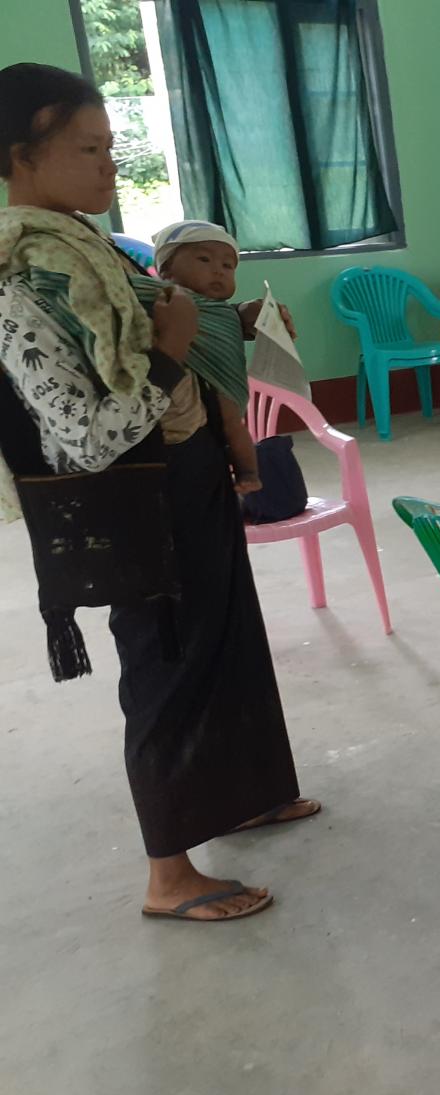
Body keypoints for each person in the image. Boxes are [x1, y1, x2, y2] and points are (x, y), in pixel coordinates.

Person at [0, 63, 318, 924]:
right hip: (131, 502)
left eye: (111, 146)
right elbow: (84, 436)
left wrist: (221, 335)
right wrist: (175, 355)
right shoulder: (22, 277)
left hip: (187, 473)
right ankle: (169, 875)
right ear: (21, 157)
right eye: (87, 149)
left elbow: (155, 325)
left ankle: (246, 796)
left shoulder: (88, 246)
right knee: (165, 668)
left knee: (228, 642)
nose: (109, 166)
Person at [152, 220, 266, 496]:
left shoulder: (224, 311)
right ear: (165, 270)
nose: (218, 270)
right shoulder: (167, 299)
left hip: (225, 384)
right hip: (188, 397)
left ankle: (249, 473)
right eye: (204, 259)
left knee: (232, 423)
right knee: (230, 425)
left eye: (228, 266)